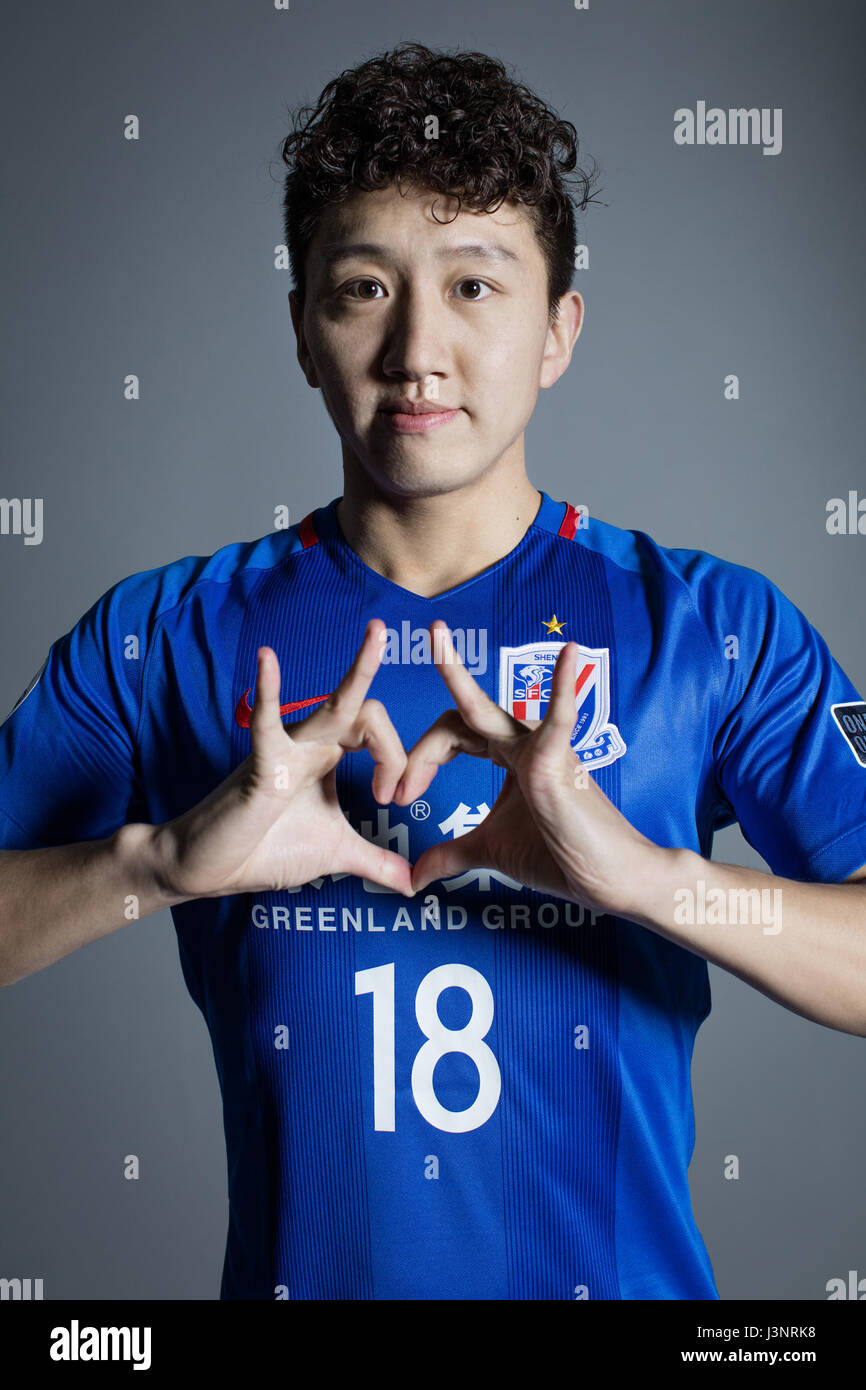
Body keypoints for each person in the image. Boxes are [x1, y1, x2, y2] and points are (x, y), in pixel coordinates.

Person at [1, 41, 865, 1302]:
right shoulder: (164, 635)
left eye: (473, 284)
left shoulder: (712, 628)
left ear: (558, 329)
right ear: (302, 328)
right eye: (362, 287)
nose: (417, 348)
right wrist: (155, 865)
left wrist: (650, 880)